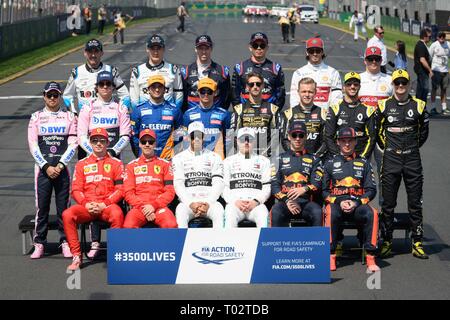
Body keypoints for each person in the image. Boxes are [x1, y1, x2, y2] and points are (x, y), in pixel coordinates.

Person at [377, 69, 430, 259]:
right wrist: (390, 148)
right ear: (393, 84)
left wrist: (411, 149)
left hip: (412, 159)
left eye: (404, 83)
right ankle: (387, 240)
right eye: (397, 83)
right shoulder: (383, 105)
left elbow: (423, 133)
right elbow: (378, 132)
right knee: (388, 203)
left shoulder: (420, 105)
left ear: (409, 85)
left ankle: (417, 241)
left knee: (415, 203)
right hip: (391, 158)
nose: (400, 87)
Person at [27, 82, 78, 259]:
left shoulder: (70, 117)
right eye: (49, 95)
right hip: (43, 169)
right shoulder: (36, 117)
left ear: (60, 96)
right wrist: (47, 166)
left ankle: (66, 242)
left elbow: (73, 144)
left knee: (64, 208)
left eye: (56, 95)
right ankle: (39, 242)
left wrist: (60, 165)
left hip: (63, 169)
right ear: (44, 96)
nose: (52, 98)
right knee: (42, 208)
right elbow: (33, 146)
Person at [63, 128, 124, 271]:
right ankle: (77, 256)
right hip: (87, 206)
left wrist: (104, 204)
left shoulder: (117, 163)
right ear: (90, 142)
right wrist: (86, 203)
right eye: (95, 140)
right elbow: (76, 190)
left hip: (107, 206)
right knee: (67, 215)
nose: (98, 143)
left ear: (108, 143)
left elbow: (120, 190)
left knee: (118, 214)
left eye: (102, 140)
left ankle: (115, 255)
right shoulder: (81, 164)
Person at [323, 127, 379, 272]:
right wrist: (338, 201)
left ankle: (370, 257)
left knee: (372, 213)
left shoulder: (364, 162)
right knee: (331, 213)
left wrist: (356, 202)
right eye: (343, 141)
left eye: (350, 141)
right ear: (338, 142)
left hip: (358, 203)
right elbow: (323, 191)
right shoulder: (329, 163)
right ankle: (331, 256)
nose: (346, 144)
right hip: (337, 203)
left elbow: (371, 190)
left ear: (355, 142)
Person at [172, 122, 225, 228]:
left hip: (210, 202)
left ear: (204, 137)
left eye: (199, 136)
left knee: (219, 210)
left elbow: (218, 183)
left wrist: (208, 203)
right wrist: (191, 203)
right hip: (188, 202)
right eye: (193, 136)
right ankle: (183, 243)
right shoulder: (178, 158)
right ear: (187, 137)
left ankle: (219, 242)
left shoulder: (215, 157)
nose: (196, 139)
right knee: (180, 211)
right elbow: (178, 185)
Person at [271, 121, 323, 227]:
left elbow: (317, 184)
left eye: (301, 135)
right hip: (285, 202)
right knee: (275, 211)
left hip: (306, 203)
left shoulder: (315, 159)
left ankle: (317, 243)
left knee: (317, 212)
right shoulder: (277, 159)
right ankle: (276, 243)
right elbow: (274, 185)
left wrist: (304, 189)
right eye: (294, 135)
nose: (297, 138)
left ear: (306, 137)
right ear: (289, 137)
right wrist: (287, 201)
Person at [123, 129, 178, 229]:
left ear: (155, 144)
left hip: (159, 206)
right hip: (139, 207)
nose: (147, 144)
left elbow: (170, 191)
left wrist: (153, 205)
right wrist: (144, 208)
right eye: (144, 142)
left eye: (150, 142)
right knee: (128, 226)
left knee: (171, 225)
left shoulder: (165, 164)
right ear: (139, 144)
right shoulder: (131, 166)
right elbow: (128, 193)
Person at [63, 38, 130, 118]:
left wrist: (122, 111)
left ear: (101, 53)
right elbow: (67, 95)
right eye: (90, 52)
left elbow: (125, 94)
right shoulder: (76, 73)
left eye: (96, 51)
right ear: (85, 53)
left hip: (108, 118)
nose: (93, 55)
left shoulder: (111, 70)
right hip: (86, 120)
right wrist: (73, 113)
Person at [223, 128, 271, 228]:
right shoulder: (227, 161)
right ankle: (229, 243)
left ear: (254, 141)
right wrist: (235, 201)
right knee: (229, 215)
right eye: (242, 139)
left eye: (249, 139)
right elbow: (224, 187)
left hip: (255, 205)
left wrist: (256, 201)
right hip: (235, 204)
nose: (246, 142)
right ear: (237, 141)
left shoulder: (264, 161)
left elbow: (267, 187)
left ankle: (263, 243)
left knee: (264, 214)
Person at [77, 71, 131, 160]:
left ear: (113, 87)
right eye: (101, 84)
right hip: (93, 157)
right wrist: (94, 152)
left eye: (108, 84)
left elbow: (125, 135)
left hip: (114, 157)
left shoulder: (121, 108)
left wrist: (112, 152)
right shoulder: (87, 108)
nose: (105, 86)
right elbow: (81, 137)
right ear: (97, 87)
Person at [324, 72, 376, 159]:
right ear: (344, 87)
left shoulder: (368, 110)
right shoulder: (335, 108)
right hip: (338, 158)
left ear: (359, 86)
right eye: (349, 84)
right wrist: (338, 156)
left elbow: (372, 138)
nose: (352, 87)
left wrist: (363, 158)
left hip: (360, 158)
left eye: (355, 84)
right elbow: (328, 137)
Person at [130, 75, 182, 159]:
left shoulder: (175, 110)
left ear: (165, 89)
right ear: (148, 90)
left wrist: (173, 153)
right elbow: (134, 137)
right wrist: (140, 153)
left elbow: (179, 136)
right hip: (146, 158)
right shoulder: (138, 110)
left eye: (160, 87)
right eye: (154, 87)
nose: (157, 90)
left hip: (167, 158)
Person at [230, 72, 280, 157]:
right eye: (251, 84)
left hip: (266, 157)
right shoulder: (239, 109)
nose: (255, 87)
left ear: (263, 86)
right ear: (247, 87)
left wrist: (266, 154)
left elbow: (276, 135)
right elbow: (233, 135)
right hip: (245, 156)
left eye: (258, 84)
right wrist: (244, 153)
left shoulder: (272, 109)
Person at [231, 32, 286, 109]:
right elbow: (234, 94)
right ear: (250, 47)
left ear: (267, 47)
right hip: (245, 111)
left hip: (269, 112)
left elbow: (280, 94)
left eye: (262, 46)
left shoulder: (275, 68)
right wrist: (240, 111)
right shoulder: (240, 68)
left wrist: (274, 112)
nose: (259, 48)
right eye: (255, 45)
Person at [130, 34, 183, 111]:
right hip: (145, 116)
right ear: (147, 49)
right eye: (152, 48)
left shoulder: (173, 69)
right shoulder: (137, 71)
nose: (156, 52)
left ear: (163, 49)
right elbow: (134, 99)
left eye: (158, 48)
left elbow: (179, 95)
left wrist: (174, 113)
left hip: (167, 115)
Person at [180, 34, 231, 111]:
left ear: (211, 49)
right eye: (200, 48)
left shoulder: (222, 71)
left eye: (206, 48)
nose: (204, 51)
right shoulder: (186, 72)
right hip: (192, 117)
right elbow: (182, 98)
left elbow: (227, 97)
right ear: (195, 49)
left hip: (215, 117)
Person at [182, 78, 230, 159]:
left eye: (209, 91)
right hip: (195, 158)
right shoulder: (188, 114)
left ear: (215, 93)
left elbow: (229, 141)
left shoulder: (224, 114)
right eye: (203, 91)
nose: (206, 94)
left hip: (216, 158)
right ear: (198, 92)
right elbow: (185, 140)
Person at [290, 37, 342, 110]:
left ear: (322, 52)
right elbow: (294, 98)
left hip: (326, 117)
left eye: (318, 51)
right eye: (311, 51)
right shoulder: (298, 73)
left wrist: (331, 117)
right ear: (307, 52)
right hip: (303, 117)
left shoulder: (333, 73)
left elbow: (337, 99)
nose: (315, 54)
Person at [280, 77, 327, 156]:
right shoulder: (288, 114)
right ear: (298, 92)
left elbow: (326, 141)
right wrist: (296, 155)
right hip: (295, 158)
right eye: (304, 91)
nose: (307, 95)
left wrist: (315, 157)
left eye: (310, 92)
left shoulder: (323, 114)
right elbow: (285, 140)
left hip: (316, 160)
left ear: (315, 92)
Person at [429, 32, 450, 115]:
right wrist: (430, 70)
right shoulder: (434, 45)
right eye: (440, 36)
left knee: (444, 89)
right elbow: (429, 56)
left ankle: (444, 108)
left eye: (443, 37)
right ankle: (433, 107)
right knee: (434, 89)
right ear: (437, 37)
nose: (442, 38)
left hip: (445, 70)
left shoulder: (448, 45)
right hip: (436, 70)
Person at [413, 28, 432, 105]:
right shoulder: (421, 45)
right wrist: (430, 70)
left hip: (423, 71)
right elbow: (422, 59)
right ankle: (421, 108)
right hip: (422, 71)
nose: (430, 38)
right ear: (424, 36)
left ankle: (420, 107)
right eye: (429, 36)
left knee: (421, 89)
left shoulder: (423, 45)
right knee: (424, 89)